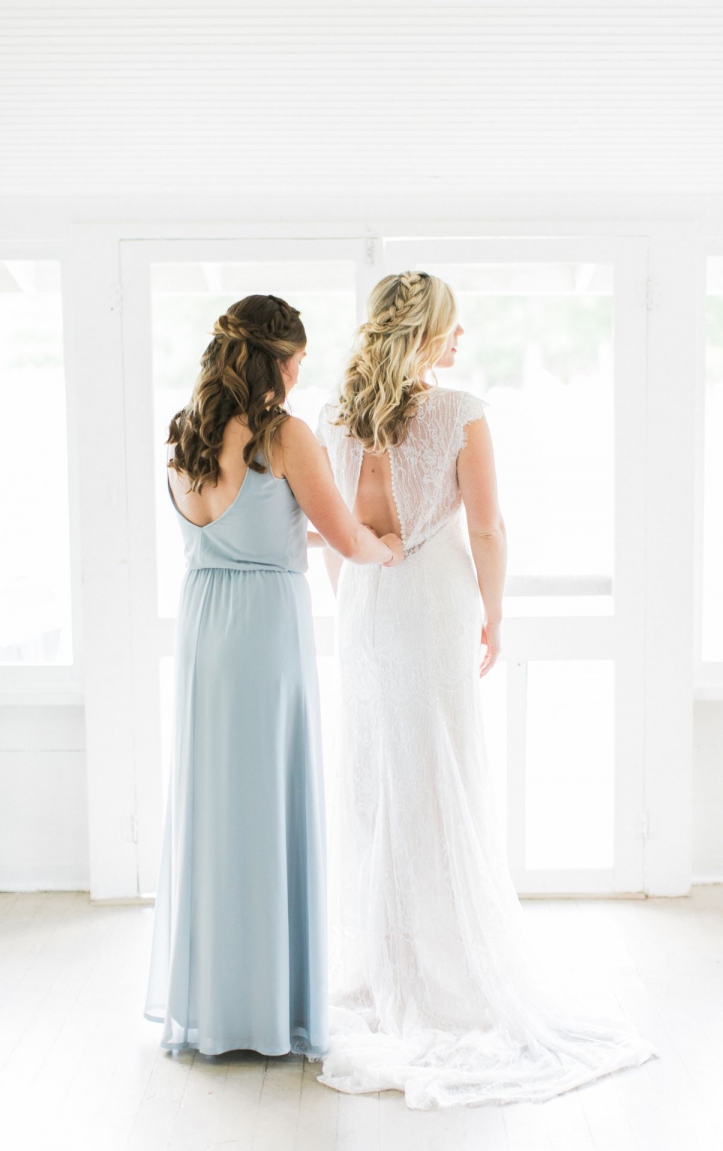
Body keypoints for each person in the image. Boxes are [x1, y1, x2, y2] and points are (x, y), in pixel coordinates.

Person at [315, 271, 657, 1108]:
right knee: (440, 778)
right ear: (426, 333)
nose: (460, 341)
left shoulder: (330, 416)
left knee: (378, 784)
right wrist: (496, 615)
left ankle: (389, 964)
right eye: (452, 327)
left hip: (363, 607)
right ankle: (445, 971)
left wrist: (352, 601)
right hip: (432, 607)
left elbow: (333, 535)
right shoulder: (461, 411)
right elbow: (487, 525)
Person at [144, 293, 403, 1059]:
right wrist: (391, 542)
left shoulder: (185, 433)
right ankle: (270, 1009)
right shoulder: (283, 432)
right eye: (299, 358)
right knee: (268, 809)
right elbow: (347, 538)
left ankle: (216, 1006)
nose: (300, 373)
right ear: (279, 360)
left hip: (203, 630)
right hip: (264, 630)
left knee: (217, 812)